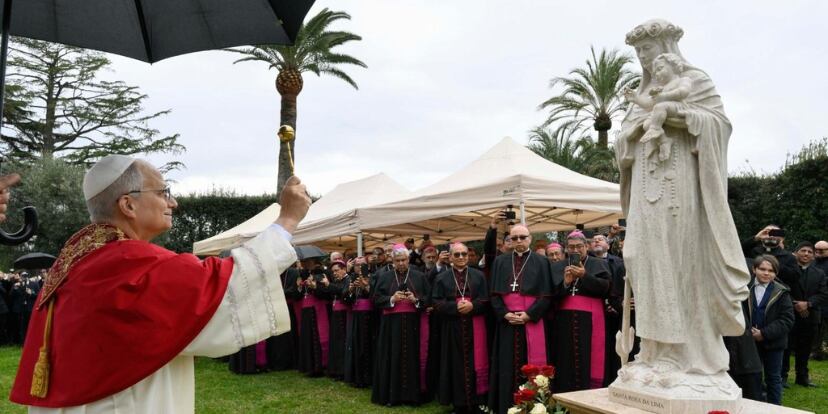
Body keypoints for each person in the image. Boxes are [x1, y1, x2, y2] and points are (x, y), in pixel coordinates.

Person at [10, 155, 310, 412]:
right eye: (163, 192)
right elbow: (222, 287)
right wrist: (286, 221)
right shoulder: (125, 262)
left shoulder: (79, 260)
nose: (173, 202)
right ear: (128, 204)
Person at [614, 18, 750, 395]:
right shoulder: (644, 93)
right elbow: (622, 146)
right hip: (645, 194)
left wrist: (675, 116)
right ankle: (653, 351)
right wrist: (637, 130)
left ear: (668, 51)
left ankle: (687, 356)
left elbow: (717, 126)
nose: (643, 58)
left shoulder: (696, 81)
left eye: (649, 50)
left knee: (677, 265)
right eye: (639, 52)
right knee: (640, 257)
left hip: (681, 194)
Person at [488, 225, 553, 414]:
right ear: (509, 240)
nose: (518, 241)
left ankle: (534, 407)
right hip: (507, 323)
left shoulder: (541, 261)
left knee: (532, 366)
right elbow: (493, 294)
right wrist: (504, 313)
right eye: (514, 238)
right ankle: (506, 406)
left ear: (530, 238)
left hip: (531, 321)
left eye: (522, 237)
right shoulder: (500, 262)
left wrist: (529, 315)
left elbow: (547, 295)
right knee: (506, 366)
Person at [431, 243, 489, 414]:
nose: (461, 257)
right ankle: (458, 403)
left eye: (464, 254)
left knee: (475, 363)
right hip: (452, 327)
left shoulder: (479, 276)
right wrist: (454, 307)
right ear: (450, 257)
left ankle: (477, 401)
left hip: (475, 325)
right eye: (457, 255)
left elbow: (486, 299)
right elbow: (435, 301)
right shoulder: (442, 278)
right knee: (454, 364)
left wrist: (473, 306)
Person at [551, 231, 612, 392]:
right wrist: (565, 283)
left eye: (579, 246)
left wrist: (585, 275)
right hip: (564, 322)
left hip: (591, 320)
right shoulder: (557, 266)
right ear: (566, 249)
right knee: (565, 359)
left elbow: (605, 288)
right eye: (571, 247)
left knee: (589, 358)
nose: (575, 250)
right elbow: (551, 294)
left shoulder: (598, 263)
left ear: (586, 246)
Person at [371, 245, 430, 406]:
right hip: (391, 326)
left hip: (413, 325)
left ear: (408, 260)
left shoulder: (419, 276)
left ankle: (412, 396)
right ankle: (392, 396)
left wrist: (415, 300)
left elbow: (428, 299)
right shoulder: (384, 277)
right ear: (393, 261)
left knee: (412, 358)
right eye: (398, 261)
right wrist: (391, 299)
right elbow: (375, 299)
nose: (401, 263)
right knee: (392, 357)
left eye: (403, 260)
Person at [625, 53, 693, 164]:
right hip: (661, 110)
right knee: (646, 124)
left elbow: (684, 92)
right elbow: (649, 104)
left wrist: (664, 96)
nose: (657, 74)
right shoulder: (660, 89)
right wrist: (636, 98)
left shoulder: (683, 80)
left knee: (660, 107)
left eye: (660, 69)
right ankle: (664, 141)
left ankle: (656, 129)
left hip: (679, 108)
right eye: (655, 72)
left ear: (674, 66)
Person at [746, 255, 794, 405]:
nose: (766, 273)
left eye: (771, 270)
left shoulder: (782, 292)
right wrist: (749, 332)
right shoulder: (743, 289)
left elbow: (787, 320)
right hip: (748, 342)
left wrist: (764, 334)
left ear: (776, 273)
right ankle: (753, 406)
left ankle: (775, 408)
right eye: (762, 269)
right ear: (754, 269)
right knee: (752, 377)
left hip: (774, 343)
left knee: (773, 378)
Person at [782, 242, 828, 387]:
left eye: (809, 251)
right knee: (786, 347)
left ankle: (802, 378)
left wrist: (807, 304)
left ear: (813, 256)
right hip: (789, 314)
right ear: (796, 253)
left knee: (805, 348)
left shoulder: (820, 274)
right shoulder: (786, 271)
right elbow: (782, 289)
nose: (806, 254)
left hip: (811, 315)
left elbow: (824, 294)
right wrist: (795, 304)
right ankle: (782, 377)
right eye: (803, 250)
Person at [343, 257, 376, 388]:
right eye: (357, 265)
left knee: (367, 346)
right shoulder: (352, 279)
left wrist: (366, 287)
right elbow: (345, 298)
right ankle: (358, 377)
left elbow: (376, 296)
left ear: (367, 266)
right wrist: (350, 290)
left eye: (362, 265)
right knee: (356, 345)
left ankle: (369, 378)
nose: (359, 267)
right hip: (356, 317)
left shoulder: (373, 277)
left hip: (369, 317)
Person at [325, 260, 351, 380]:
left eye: (336, 270)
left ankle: (342, 371)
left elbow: (342, 292)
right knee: (336, 342)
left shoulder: (348, 279)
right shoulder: (337, 281)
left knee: (342, 342)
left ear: (344, 269)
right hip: (336, 314)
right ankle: (336, 370)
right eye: (333, 271)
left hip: (344, 315)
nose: (334, 273)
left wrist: (328, 285)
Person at [813, 240, 828, 360]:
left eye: (821, 251)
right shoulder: (812, 262)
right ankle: (817, 351)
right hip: (817, 300)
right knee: (817, 328)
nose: (817, 253)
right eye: (816, 250)